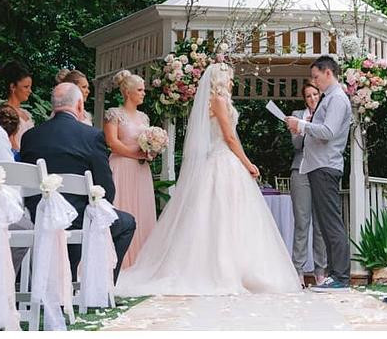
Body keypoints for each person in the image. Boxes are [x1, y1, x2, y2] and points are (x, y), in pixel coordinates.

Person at [115, 63, 301, 296]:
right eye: (229, 78)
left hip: (223, 162)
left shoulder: (216, 101)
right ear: (220, 80)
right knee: (221, 216)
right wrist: (248, 163)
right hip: (222, 161)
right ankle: (223, 269)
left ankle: (239, 268)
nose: (232, 82)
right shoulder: (218, 101)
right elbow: (230, 138)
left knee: (229, 215)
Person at [20, 83, 137, 280]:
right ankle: (101, 287)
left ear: (53, 105)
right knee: (127, 223)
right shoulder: (92, 136)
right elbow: (106, 189)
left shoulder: (30, 137)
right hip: (78, 220)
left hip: (38, 216)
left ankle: (66, 277)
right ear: (80, 105)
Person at [285, 55, 353, 292]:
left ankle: (341, 276)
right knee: (325, 224)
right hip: (317, 165)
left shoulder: (337, 99)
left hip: (326, 165)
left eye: (316, 77)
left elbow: (328, 131)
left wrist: (301, 125)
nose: (314, 82)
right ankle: (335, 274)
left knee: (331, 223)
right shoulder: (328, 98)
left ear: (328, 73)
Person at [102, 69, 157, 269]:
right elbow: (112, 142)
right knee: (122, 205)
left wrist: (152, 151)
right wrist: (135, 155)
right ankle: (116, 259)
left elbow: (147, 142)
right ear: (128, 92)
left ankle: (141, 259)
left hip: (141, 170)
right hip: (121, 166)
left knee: (142, 208)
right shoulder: (114, 114)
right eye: (140, 90)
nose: (144, 93)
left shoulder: (144, 118)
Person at [289, 81, 327, 284]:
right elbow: (296, 144)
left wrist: (314, 126)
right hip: (300, 170)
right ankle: (298, 270)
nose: (312, 99)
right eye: (309, 96)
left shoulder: (327, 115)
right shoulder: (298, 114)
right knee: (302, 222)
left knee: (320, 224)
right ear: (305, 99)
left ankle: (320, 271)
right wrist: (304, 125)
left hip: (321, 170)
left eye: (315, 95)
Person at [0, 61, 35, 149]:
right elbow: (10, 144)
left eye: (30, 87)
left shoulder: (26, 113)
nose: (30, 91)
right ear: (13, 87)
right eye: (26, 87)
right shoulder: (5, 113)